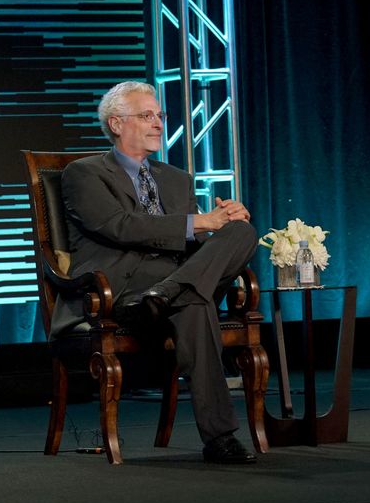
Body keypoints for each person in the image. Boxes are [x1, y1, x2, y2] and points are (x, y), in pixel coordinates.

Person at [50, 81, 260, 464]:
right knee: (196, 304)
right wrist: (200, 222)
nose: (159, 123)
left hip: (165, 287)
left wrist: (224, 221)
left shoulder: (176, 178)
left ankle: (168, 292)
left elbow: (192, 241)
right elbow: (119, 226)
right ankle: (221, 438)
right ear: (116, 123)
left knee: (242, 231)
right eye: (147, 115)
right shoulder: (84, 173)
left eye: (160, 115)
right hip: (120, 291)